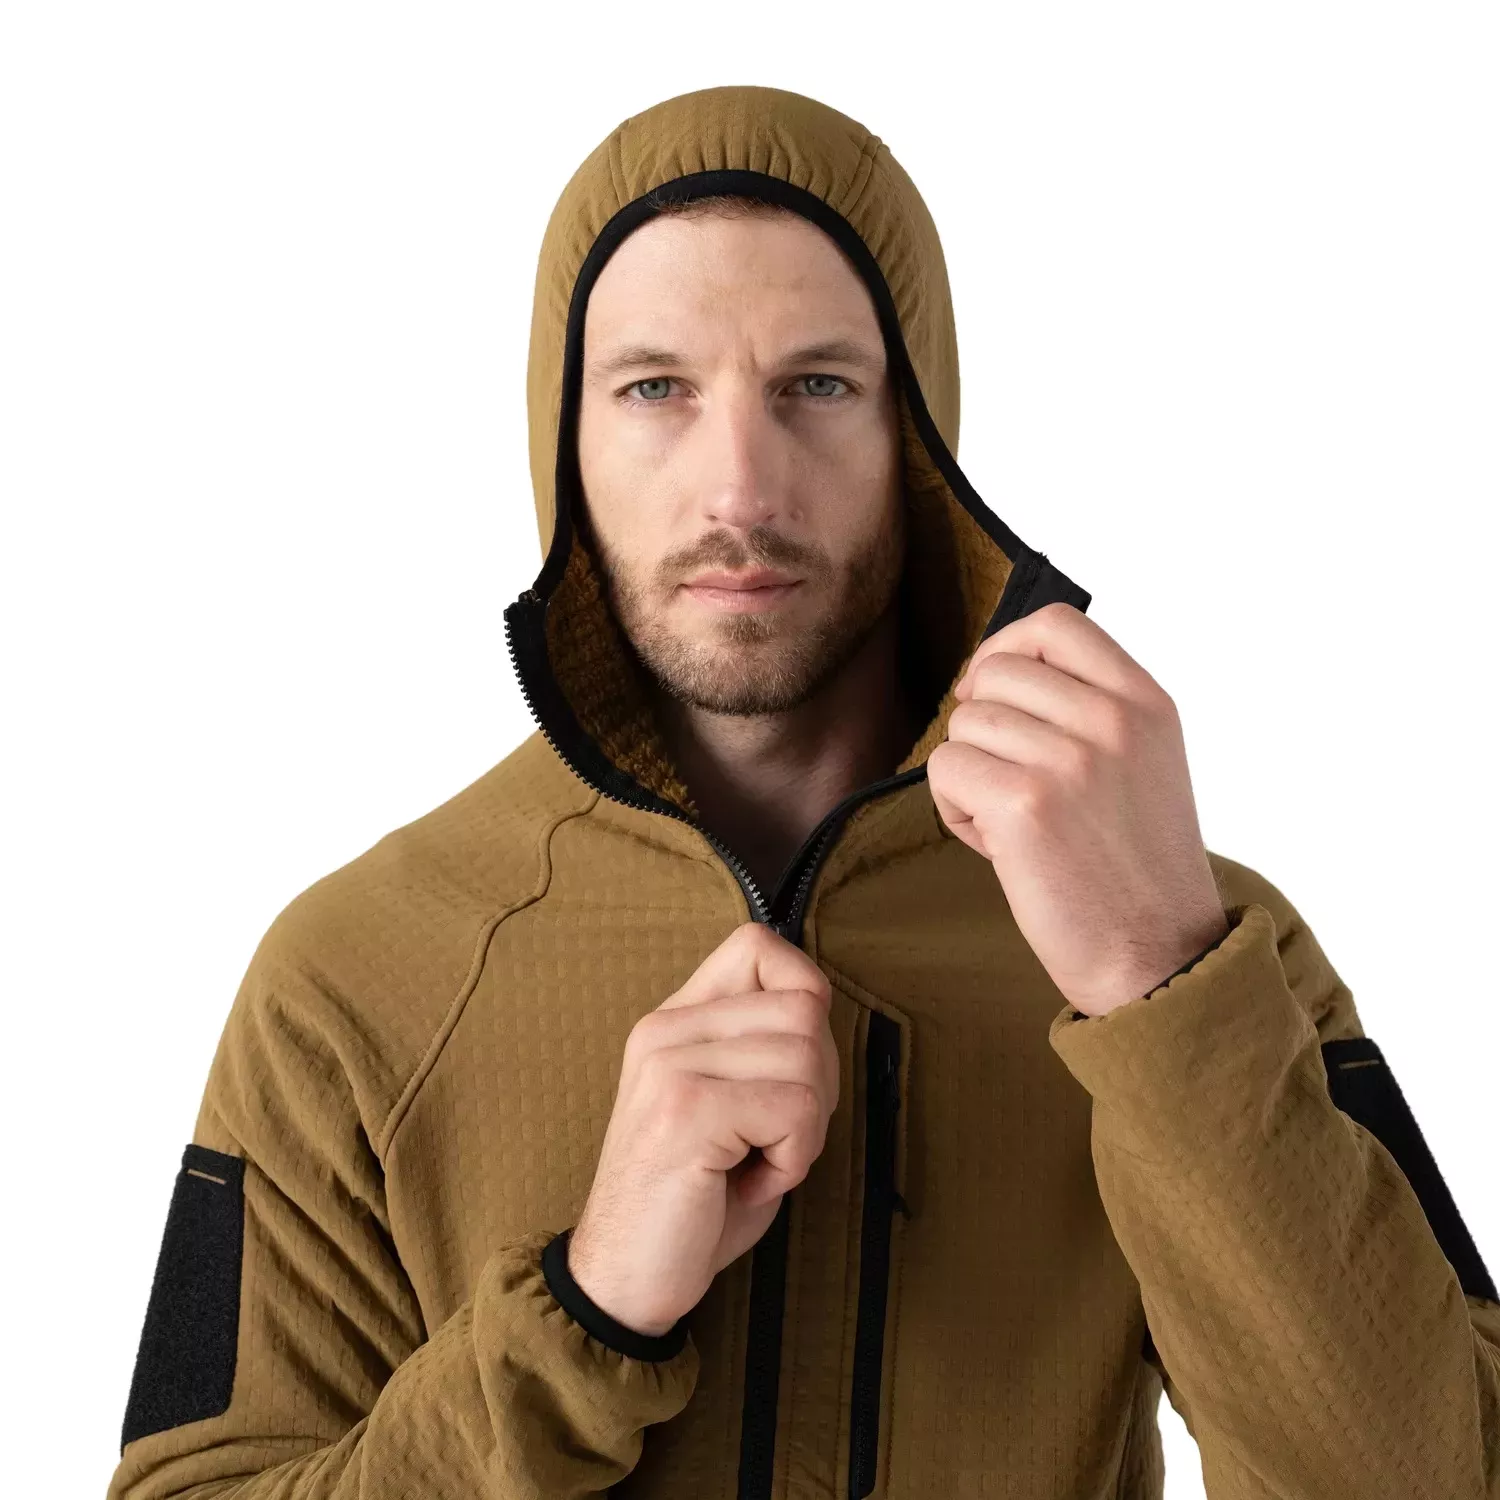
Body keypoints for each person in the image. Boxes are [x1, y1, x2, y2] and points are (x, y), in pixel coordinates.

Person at [108, 84, 1499, 1500]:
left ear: (919, 438)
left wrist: (1163, 987)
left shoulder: (1196, 938)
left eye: (817, 385)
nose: (741, 489)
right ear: (562, 439)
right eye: (655, 388)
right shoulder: (355, 975)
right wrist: (584, 1312)